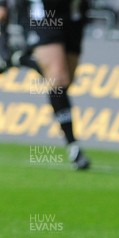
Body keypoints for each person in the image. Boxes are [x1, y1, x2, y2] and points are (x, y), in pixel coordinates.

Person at [0, 0, 91, 170]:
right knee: (57, 79)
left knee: (64, 83)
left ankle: (19, 58)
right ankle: (74, 147)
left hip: (73, 12)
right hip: (43, 10)